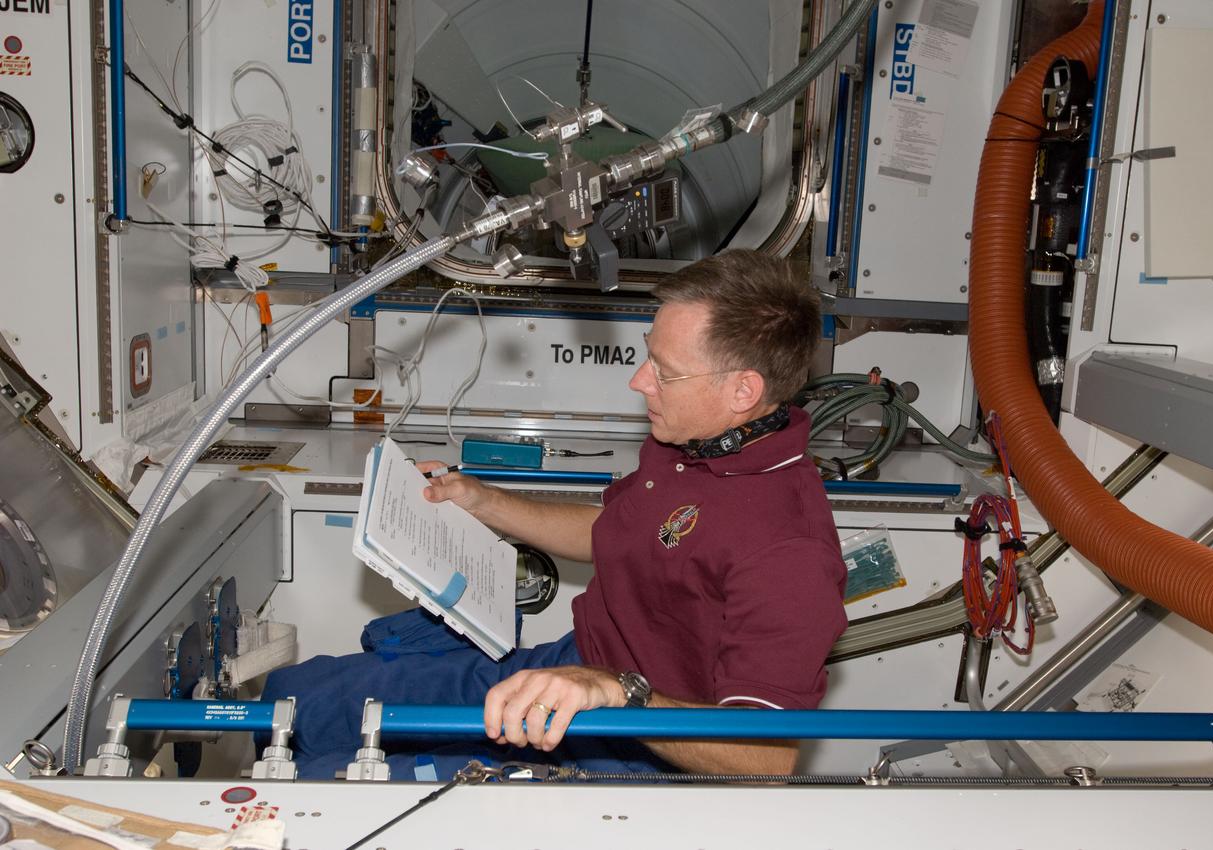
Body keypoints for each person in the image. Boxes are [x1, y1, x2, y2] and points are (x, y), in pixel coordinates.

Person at [263, 249, 848, 778]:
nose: (639, 381)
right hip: (575, 666)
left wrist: (621, 692)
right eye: (648, 357)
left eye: (664, 372)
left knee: (333, 782)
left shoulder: (787, 550)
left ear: (743, 391)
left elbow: (761, 755)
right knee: (298, 700)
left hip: (638, 743)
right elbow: (614, 534)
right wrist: (482, 501)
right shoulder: (689, 442)